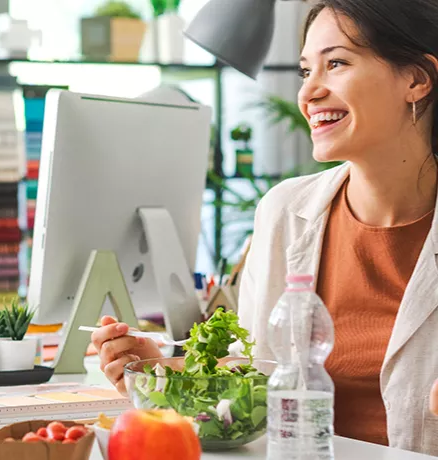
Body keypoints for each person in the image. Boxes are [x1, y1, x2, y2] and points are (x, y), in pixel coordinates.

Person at [92, 0, 438, 455]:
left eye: (336, 63)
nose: (309, 92)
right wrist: (165, 373)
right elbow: (258, 381)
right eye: (304, 71)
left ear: (415, 80)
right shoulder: (284, 213)